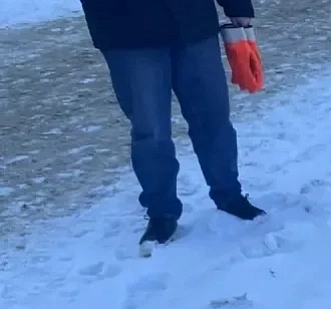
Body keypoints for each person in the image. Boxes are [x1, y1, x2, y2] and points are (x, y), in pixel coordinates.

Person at [80, 0, 266, 245]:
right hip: (127, 34)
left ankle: (230, 195)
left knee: (214, 120)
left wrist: (237, 5)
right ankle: (161, 213)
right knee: (151, 132)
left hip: (193, 24)